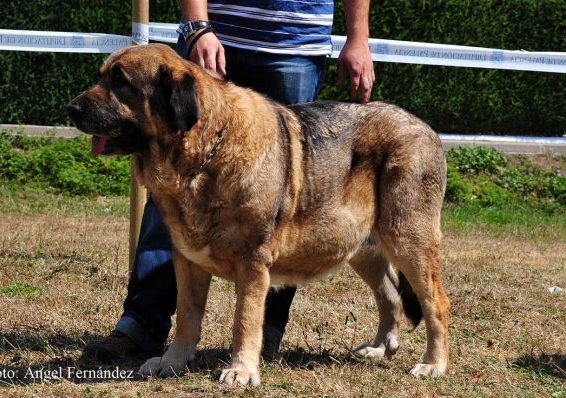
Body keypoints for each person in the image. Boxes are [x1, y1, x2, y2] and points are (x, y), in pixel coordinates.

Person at [83, 0, 375, 364]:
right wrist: (196, 27)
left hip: (293, 44)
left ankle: (260, 339)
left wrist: (358, 38)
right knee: (170, 187)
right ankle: (141, 325)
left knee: (282, 208)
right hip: (212, 35)